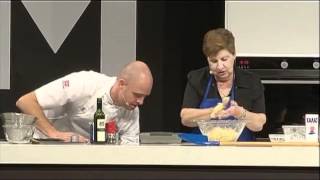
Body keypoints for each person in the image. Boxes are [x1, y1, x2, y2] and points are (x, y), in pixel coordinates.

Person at [16, 60, 153, 144]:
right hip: (45, 145)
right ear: (122, 84)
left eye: (145, 97)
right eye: (137, 95)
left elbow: (129, 150)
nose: (141, 102)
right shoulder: (85, 82)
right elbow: (25, 101)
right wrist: (54, 133)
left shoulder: (132, 109)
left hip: (84, 158)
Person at [180, 28, 266, 141]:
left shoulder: (251, 81)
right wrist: (213, 112)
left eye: (224, 59)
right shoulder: (197, 78)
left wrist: (240, 113)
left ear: (234, 55)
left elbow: (259, 124)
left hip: (241, 151)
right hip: (204, 151)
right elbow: (185, 118)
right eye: (214, 61)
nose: (220, 66)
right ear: (207, 59)